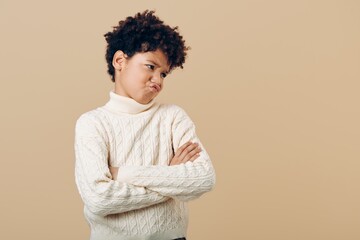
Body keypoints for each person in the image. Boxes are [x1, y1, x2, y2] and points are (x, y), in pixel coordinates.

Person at [74, 10, 216, 240]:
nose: (158, 80)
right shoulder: (92, 124)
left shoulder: (173, 117)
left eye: (164, 74)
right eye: (150, 67)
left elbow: (203, 178)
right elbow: (98, 199)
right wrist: (171, 179)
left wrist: (122, 174)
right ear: (120, 61)